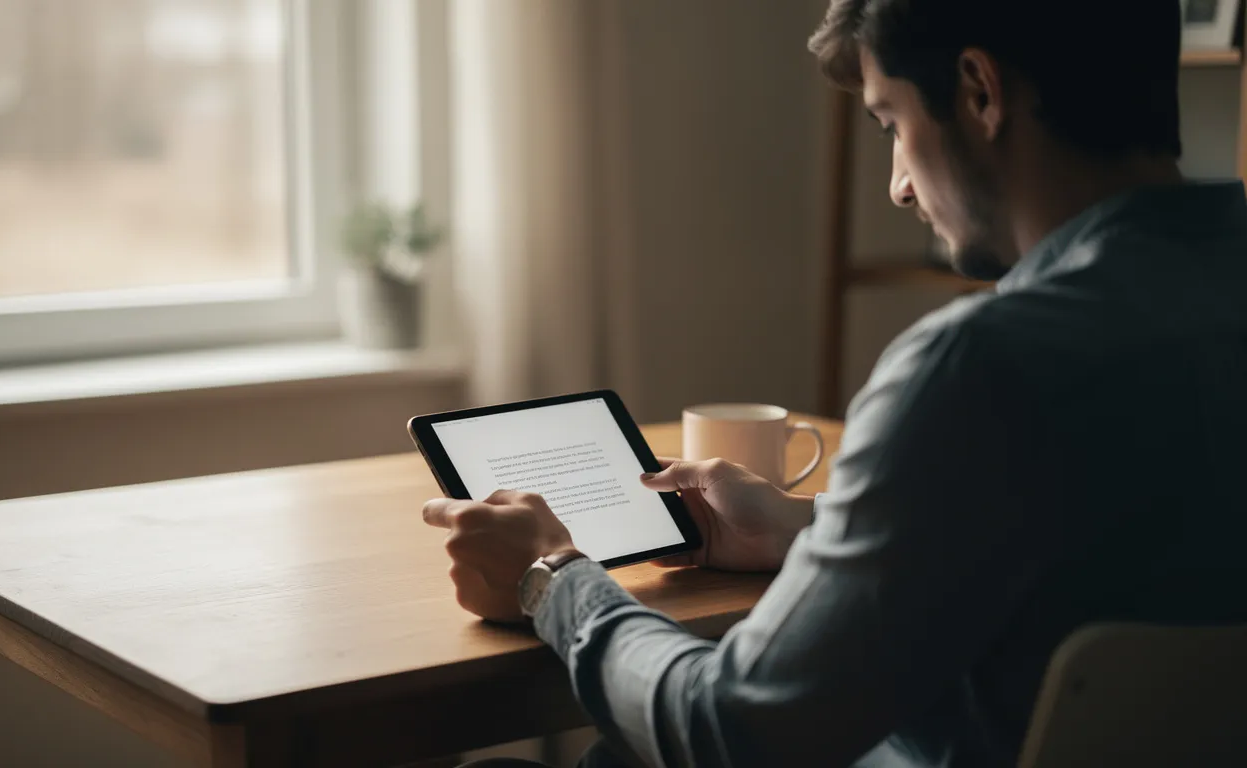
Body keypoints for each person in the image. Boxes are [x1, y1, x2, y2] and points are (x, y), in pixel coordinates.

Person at [422, 0, 1247, 765]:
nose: (897, 184)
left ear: (978, 91)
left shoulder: (980, 369)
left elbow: (728, 730)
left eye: (891, 121)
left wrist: (555, 578)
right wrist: (801, 529)